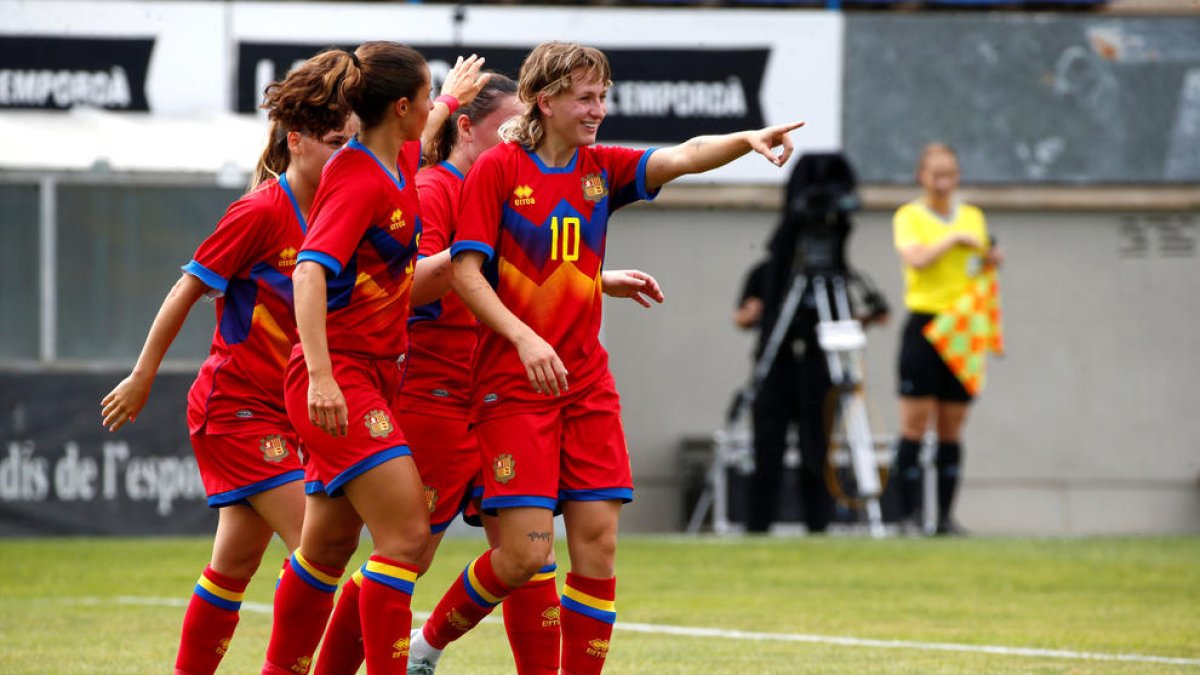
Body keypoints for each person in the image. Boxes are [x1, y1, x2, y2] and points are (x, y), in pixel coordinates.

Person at [406, 41, 802, 675]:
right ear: (546, 100)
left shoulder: (600, 169)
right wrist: (523, 337)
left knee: (599, 547)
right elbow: (466, 272)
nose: (598, 109)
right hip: (511, 386)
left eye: (603, 97)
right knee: (525, 556)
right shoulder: (498, 169)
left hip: (586, 385)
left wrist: (746, 137)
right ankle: (425, 647)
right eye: (585, 98)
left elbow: (682, 155)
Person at [315, 72, 666, 675]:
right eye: (506, 126)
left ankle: (436, 650)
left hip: (509, 395)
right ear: (465, 128)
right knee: (406, 554)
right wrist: (477, 251)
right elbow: (412, 284)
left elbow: (522, 267)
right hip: (440, 397)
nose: (518, 137)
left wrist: (589, 276)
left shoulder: (526, 179)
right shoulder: (434, 189)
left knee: (529, 555)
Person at [98, 49, 359, 675]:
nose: (347, 156)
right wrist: (142, 376)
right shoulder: (262, 212)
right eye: (333, 142)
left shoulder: (340, 209)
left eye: (354, 143)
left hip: (286, 410)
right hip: (238, 410)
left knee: (234, 566)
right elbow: (186, 288)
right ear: (295, 141)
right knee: (320, 551)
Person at [258, 44, 489, 675]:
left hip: (373, 376)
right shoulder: (358, 178)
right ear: (400, 106)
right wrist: (325, 379)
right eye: (426, 93)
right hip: (341, 378)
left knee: (328, 546)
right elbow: (308, 272)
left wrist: (450, 100)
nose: (431, 107)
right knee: (408, 539)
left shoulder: (397, 156)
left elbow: (430, 125)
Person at [891, 142, 1003, 536]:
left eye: (950, 175)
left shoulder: (973, 215)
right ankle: (906, 515)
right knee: (914, 424)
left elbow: (986, 257)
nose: (943, 183)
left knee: (952, 426)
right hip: (925, 325)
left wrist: (991, 257)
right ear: (922, 177)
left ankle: (943, 518)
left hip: (963, 328)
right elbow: (917, 258)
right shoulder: (910, 216)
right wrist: (953, 240)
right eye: (936, 175)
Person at [733, 257, 836, 535]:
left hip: (815, 368)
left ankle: (819, 525)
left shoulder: (828, 274)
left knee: (815, 449)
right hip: (776, 366)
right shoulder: (766, 272)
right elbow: (740, 317)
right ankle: (757, 525)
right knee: (766, 448)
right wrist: (754, 314)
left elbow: (843, 318)